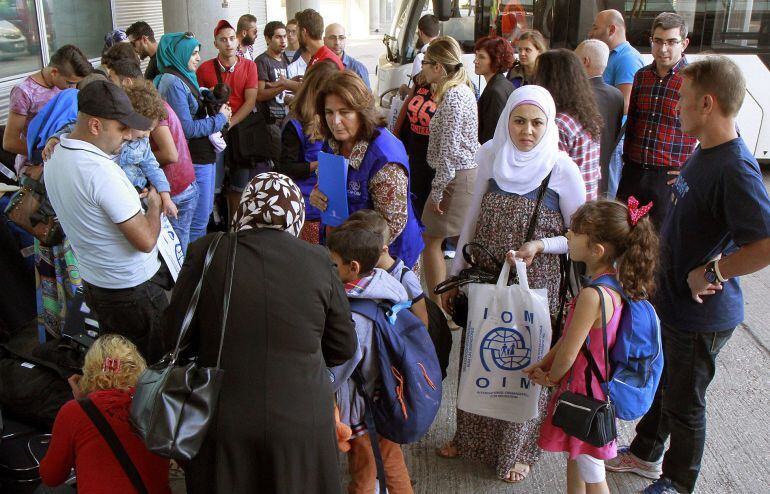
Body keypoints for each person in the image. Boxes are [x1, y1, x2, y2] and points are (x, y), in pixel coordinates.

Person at [607, 57, 770, 494]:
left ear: (707, 103)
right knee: (666, 386)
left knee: (686, 404)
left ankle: (677, 483)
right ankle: (644, 453)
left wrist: (713, 269)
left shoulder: (736, 168)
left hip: (703, 316)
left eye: (682, 97)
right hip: (673, 303)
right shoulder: (705, 152)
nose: (675, 104)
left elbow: (764, 244)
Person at [163, 172, 358, 494]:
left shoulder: (207, 252)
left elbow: (174, 337)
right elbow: (343, 346)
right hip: (301, 418)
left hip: (222, 415)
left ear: (244, 210)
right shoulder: (318, 261)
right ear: (295, 215)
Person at [437, 86, 586, 484]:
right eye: (519, 121)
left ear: (549, 125)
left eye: (538, 123)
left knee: (523, 363)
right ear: (506, 121)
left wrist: (541, 245)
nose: (527, 131)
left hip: (537, 284)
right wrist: (454, 275)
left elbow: (580, 236)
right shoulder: (490, 154)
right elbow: (470, 217)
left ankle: (517, 449)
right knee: (480, 358)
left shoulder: (562, 169)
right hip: (486, 276)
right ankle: (469, 438)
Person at [527, 199, 658, 494]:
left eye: (574, 232)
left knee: (593, 473)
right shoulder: (614, 284)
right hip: (590, 390)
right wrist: (545, 362)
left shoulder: (591, 295)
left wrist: (550, 377)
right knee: (577, 458)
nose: (568, 235)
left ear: (596, 250)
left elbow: (570, 351)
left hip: (586, 395)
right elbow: (571, 339)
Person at [44, 80, 168, 363]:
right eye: (121, 128)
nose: (126, 136)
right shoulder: (100, 172)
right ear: (96, 126)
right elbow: (146, 240)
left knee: (119, 367)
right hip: (133, 291)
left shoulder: (54, 157)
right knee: (154, 367)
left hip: (96, 284)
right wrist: (155, 206)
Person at [326, 222, 415, 494]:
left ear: (353, 267)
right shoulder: (384, 286)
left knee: (365, 472)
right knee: (389, 460)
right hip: (387, 395)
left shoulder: (355, 317)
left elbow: (345, 361)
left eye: (334, 264)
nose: (330, 269)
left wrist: (323, 384)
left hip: (364, 405)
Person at [309, 71, 424, 269]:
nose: (335, 121)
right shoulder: (334, 142)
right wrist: (317, 195)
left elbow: (390, 227)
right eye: (329, 112)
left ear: (362, 112)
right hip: (345, 255)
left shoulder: (385, 159)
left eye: (344, 112)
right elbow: (328, 185)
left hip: (382, 261)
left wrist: (348, 265)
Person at [40, 334, 171, 493]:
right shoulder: (160, 406)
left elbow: (51, 477)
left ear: (89, 371)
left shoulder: (74, 411)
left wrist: (83, 403)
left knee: (47, 490)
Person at [617, 12, 697, 228]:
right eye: (658, 41)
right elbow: (632, 120)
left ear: (684, 43)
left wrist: (689, 168)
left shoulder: (694, 81)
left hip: (667, 177)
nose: (663, 49)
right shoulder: (641, 76)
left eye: (671, 42)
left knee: (660, 243)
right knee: (623, 235)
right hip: (633, 173)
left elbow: (715, 131)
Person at [155, 32, 232, 243]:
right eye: (194, 53)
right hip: (194, 158)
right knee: (196, 223)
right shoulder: (172, 82)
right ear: (180, 54)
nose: (198, 58)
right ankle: (192, 270)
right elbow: (186, 128)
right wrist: (220, 118)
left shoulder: (182, 77)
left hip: (201, 156)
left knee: (202, 217)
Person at [421, 36, 479, 304]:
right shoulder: (461, 91)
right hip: (459, 176)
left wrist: (437, 190)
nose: (421, 67)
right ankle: (448, 303)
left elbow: (450, 150)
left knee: (431, 241)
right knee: (454, 241)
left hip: (454, 178)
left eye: (425, 62)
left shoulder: (455, 96)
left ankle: (440, 307)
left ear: (438, 67)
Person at [197, 20, 260, 220]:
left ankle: (235, 228)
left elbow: (250, 101)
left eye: (232, 39)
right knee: (212, 186)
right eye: (223, 40)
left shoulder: (250, 66)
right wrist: (217, 124)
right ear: (216, 44)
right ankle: (212, 225)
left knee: (239, 186)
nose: (229, 44)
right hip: (213, 133)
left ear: (237, 41)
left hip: (240, 131)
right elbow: (199, 102)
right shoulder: (204, 69)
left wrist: (229, 123)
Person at [3, 44, 92, 174]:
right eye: (70, 82)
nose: (73, 88)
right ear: (54, 72)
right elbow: (9, 142)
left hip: (64, 156)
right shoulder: (24, 92)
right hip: (35, 165)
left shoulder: (65, 87)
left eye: (76, 83)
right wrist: (43, 154)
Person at [277, 61, 338, 244]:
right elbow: (286, 168)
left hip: (332, 207)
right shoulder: (296, 123)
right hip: (308, 209)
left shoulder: (335, 119)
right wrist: (321, 165)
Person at [588, 9, 645, 199]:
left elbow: (626, 103)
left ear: (611, 29)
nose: (591, 33)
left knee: (608, 191)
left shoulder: (627, 59)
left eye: (595, 27)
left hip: (614, 137)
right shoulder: (612, 55)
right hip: (606, 134)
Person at [533, 49, 602, 201]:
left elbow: (551, 175)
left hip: (567, 208)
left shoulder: (559, 124)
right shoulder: (585, 116)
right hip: (587, 203)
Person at [347, 209, 430, 326]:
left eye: (364, 253)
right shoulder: (366, 269)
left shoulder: (405, 278)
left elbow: (422, 321)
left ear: (383, 250)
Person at [575, 39, 624, 197]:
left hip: (580, 177)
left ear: (585, 61)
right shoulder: (617, 95)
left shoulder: (577, 96)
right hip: (603, 178)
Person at [396, 70, 436, 219]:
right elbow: (406, 107)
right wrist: (396, 137)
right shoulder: (421, 78)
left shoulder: (452, 87)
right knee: (415, 200)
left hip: (436, 157)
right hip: (415, 151)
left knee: (431, 208)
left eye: (426, 62)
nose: (423, 65)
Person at [474, 36, 515, 144]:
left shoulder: (495, 91)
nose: (475, 61)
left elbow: (492, 136)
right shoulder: (503, 84)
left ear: (496, 60)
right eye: (476, 56)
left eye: (481, 57)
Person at [324, 23, 371, 88]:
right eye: (332, 38)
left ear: (345, 40)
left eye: (341, 38)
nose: (337, 42)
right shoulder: (317, 67)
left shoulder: (358, 69)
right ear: (324, 40)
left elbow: (367, 97)